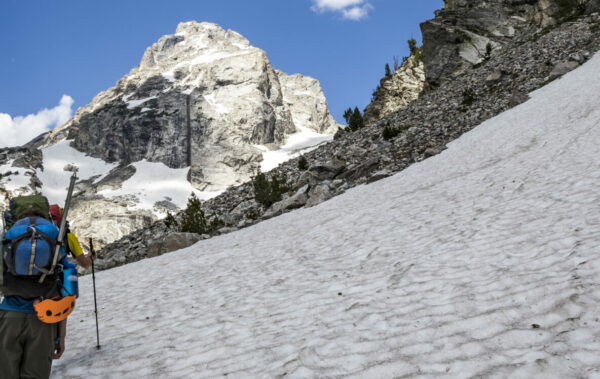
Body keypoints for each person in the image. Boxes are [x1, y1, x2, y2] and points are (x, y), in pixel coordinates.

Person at [0, 207, 68, 378]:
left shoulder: (9, 238)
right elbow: (64, 292)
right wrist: (61, 336)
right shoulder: (54, 239)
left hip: (9, 316)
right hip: (45, 318)